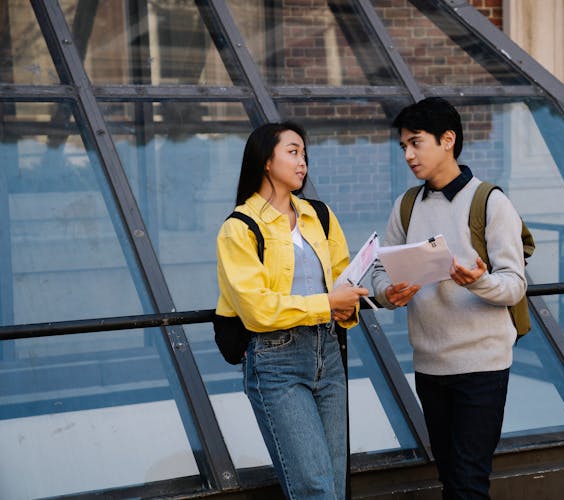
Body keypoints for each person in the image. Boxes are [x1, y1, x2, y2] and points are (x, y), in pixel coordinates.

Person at [371, 98, 527, 499]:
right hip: (430, 366)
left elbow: (514, 285)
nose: (407, 155)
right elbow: (378, 270)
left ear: (447, 140)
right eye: (403, 145)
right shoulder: (406, 205)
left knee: (469, 483)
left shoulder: (490, 202)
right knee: (451, 479)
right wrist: (388, 293)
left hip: (483, 367)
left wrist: (477, 281)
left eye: (415, 143)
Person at [215, 122, 368, 499]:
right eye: (293, 152)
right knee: (314, 487)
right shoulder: (240, 228)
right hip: (275, 360)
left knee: (334, 483)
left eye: (304, 154)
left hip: (328, 354)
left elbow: (341, 282)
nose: (303, 162)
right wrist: (329, 303)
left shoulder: (320, 215)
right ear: (266, 161)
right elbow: (257, 310)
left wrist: (366, 296)